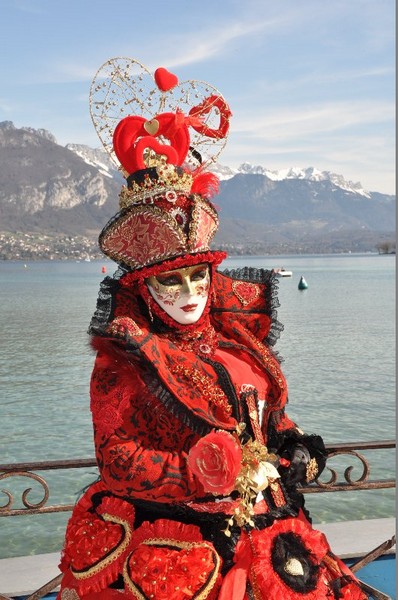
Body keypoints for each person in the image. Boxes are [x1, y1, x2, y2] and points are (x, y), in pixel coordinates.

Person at [57, 58, 368, 599]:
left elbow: (263, 416)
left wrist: (288, 441)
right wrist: (204, 471)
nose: (190, 293)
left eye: (198, 275)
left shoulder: (238, 341)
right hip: (177, 546)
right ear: (145, 288)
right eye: (171, 281)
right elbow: (117, 458)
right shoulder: (125, 361)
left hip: (275, 532)